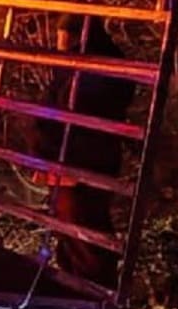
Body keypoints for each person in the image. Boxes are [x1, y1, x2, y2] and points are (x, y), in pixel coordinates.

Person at [43, 15, 136, 286]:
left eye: (64, 36)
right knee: (73, 223)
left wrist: (51, 150)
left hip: (79, 159)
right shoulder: (88, 67)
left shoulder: (91, 71)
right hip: (80, 158)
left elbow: (66, 110)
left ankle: (91, 289)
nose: (60, 43)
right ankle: (77, 283)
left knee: (81, 223)